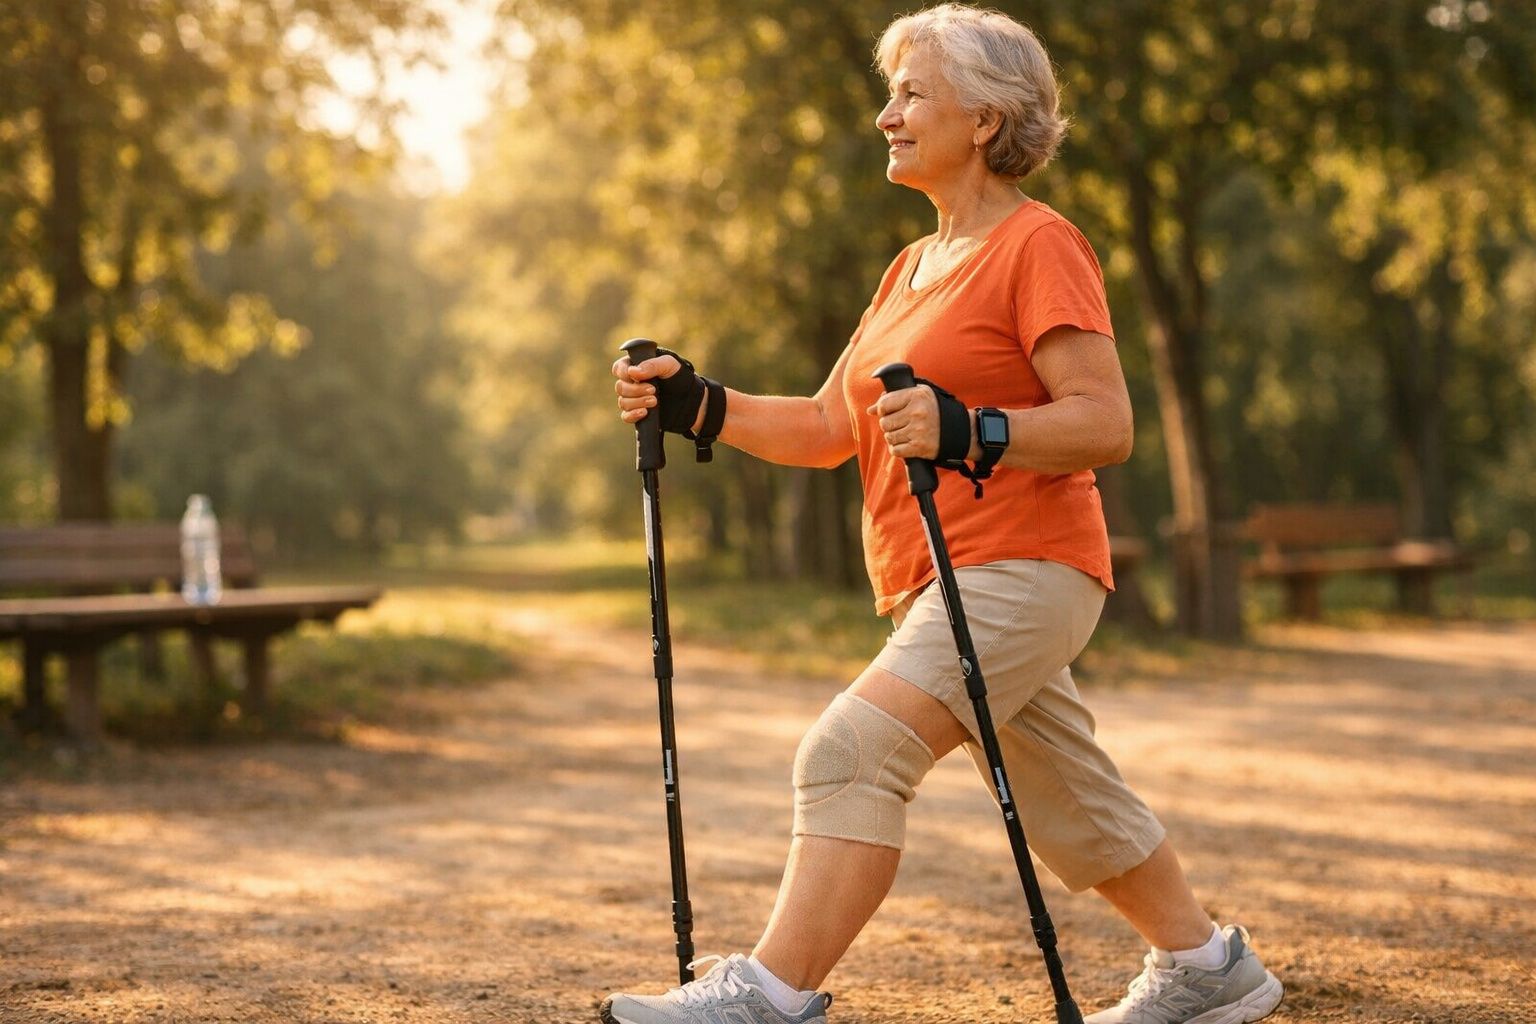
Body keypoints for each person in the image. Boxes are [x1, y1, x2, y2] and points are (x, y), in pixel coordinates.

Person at [602, 6, 1283, 1024]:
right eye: (893, 95)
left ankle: (769, 996)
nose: (888, 116)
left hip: (1025, 565)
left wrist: (976, 428)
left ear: (985, 116)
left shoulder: (1039, 245)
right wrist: (702, 403)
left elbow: (1105, 423)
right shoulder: (908, 270)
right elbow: (835, 423)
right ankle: (1208, 965)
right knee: (1070, 801)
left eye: (912, 94)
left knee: (849, 751)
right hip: (941, 578)